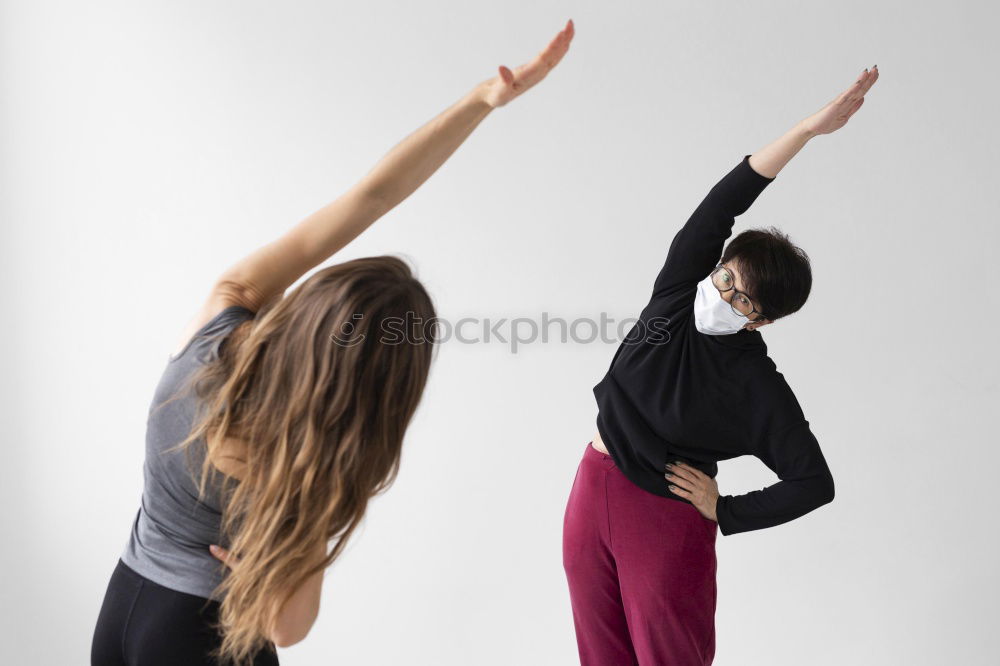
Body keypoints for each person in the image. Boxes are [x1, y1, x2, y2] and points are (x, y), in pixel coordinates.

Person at [91, 19, 576, 666]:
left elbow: (370, 197)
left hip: (125, 607)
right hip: (206, 638)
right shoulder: (301, 463)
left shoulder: (219, 323)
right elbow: (288, 626)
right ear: (382, 388)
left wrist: (479, 100)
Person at [562, 64, 879, 665]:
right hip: (591, 485)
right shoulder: (679, 290)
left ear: (761, 320)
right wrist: (808, 130)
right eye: (726, 276)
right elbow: (726, 198)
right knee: (599, 656)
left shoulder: (754, 383)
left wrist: (725, 509)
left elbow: (815, 483)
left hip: (662, 516)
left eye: (742, 298)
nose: (724, 293)